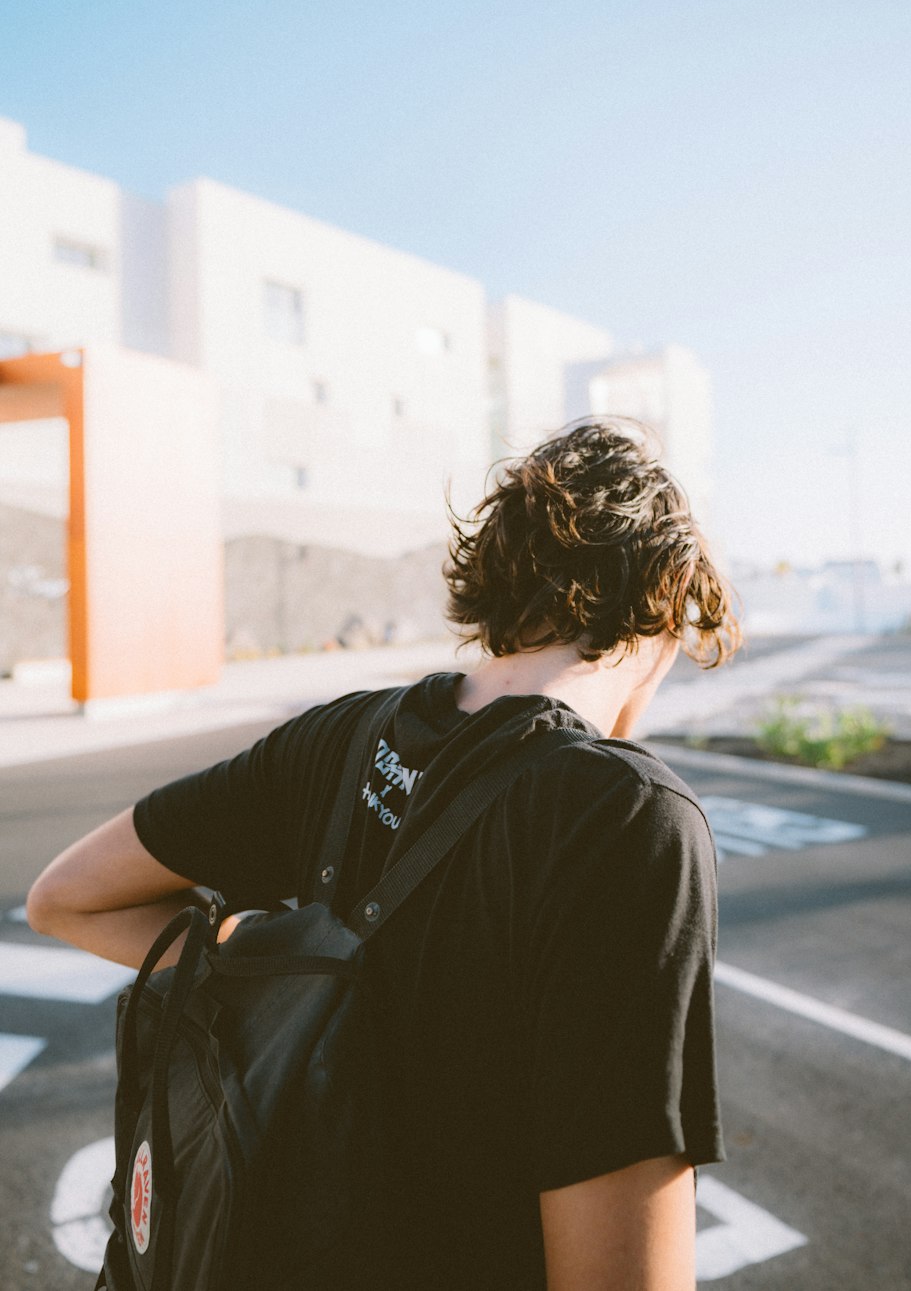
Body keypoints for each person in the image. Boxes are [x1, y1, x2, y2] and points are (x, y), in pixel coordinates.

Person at [28, 418, 741, 1290]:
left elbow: (66, 898)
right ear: (666, 605)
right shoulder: (626, 816)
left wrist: (241, 947)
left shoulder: (339, 735)